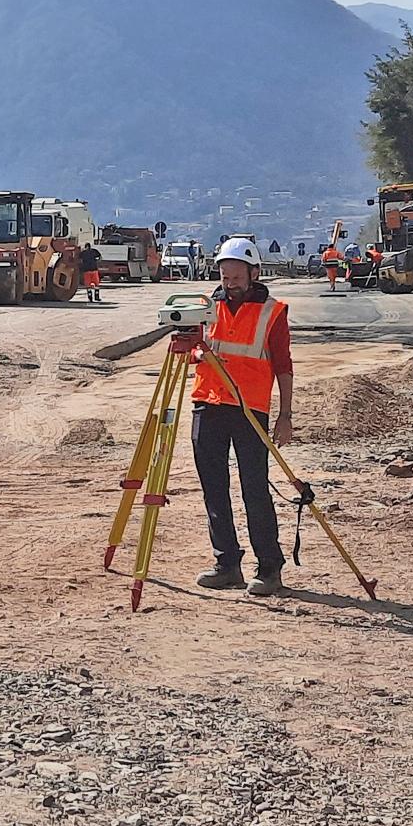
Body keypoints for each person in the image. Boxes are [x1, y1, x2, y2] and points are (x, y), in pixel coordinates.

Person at [171, 237, 298, 597]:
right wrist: (194, 354)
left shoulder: (273, 311)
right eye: (225, 276)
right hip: (208, 403)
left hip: (249, 408)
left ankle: (269, 568)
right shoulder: (207, 306)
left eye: (237, 276)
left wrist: (285, 415)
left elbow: (284, 367)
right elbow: (198, 350)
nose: (230, 283)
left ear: (254, 274)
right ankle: (227, 563)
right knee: (214, 488)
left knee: (254, 489)